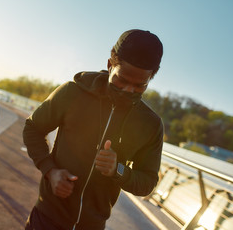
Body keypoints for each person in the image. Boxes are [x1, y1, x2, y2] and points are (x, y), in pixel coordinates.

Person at [23, 29, 164, 230]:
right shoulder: (72, 92)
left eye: (139, 86)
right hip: (46, 218)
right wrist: (50, 170)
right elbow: (32, 128)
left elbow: (148, 182)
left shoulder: (151, 125)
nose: (128, 91)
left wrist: (118, 169)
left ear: (150, 78)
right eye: (121, 80)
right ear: (109, 65)